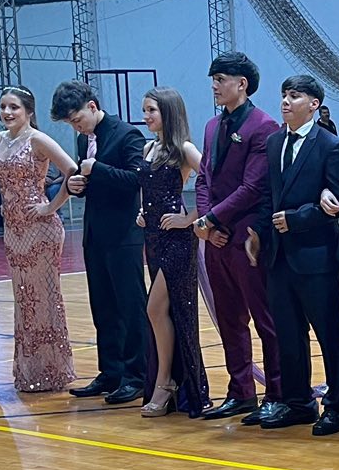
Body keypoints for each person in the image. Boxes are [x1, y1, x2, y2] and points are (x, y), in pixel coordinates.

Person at [251, 75, 339, 432]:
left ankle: (338, 405)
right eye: (283, 95)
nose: (285, 102)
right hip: (279, 256)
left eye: (294, 96)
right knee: (288, 333)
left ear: (314, 104)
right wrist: (259, 234)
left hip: (317, 256)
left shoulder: (331, 145)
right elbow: (269, 193)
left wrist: (297, 219)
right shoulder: (275, 141)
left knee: (329, 332)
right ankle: (298, 402)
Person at [190, 52, 282, 423]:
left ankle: (276, 392)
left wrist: (214, 217)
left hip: (246, 234)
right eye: (212, 78)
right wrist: (206, 222)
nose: (214, 85)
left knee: (264, 318)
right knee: (229, 319)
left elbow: (252, 186)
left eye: (221, 78)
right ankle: (241, 391)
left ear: (241, 84)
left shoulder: (264, 126)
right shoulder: (213, 126)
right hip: (215, 237)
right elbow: (203, 179)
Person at [52, 80, 145, 404]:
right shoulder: (84, 139)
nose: (75, 126)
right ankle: (111, 372)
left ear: (92, 106)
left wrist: (98, 169)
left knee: (130, 308)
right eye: (70, 123)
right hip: (95, 234)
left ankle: (137, 375)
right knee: (103, 308)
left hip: (124, 234)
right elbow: (96, 182)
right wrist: (79, 184)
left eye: (77, 119)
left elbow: (135, 180)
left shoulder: (126, 134)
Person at [0, 86, 78, 394]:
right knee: (24, 299)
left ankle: (53, 371)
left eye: (14, 107)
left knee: (44, 298)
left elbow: (73, 172)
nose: (7, 112)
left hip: (41, 230)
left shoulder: (37, 140)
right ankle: (29, 371)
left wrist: (50, 206)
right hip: (13, 230)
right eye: (3, 107)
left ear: (28, 111)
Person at [132, 88, 208, 418]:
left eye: (152, 110)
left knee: (154, 308)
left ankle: (166, 384)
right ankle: (171, 382)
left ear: (169, 113)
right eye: (145, 110)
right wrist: (141, 210)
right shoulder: (149, 147)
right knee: (162, 313)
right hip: (153, 237)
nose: (147, 116)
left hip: (177, 241)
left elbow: (214, 184)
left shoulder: (184, 149)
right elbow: (147, 188)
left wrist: (189, 217)